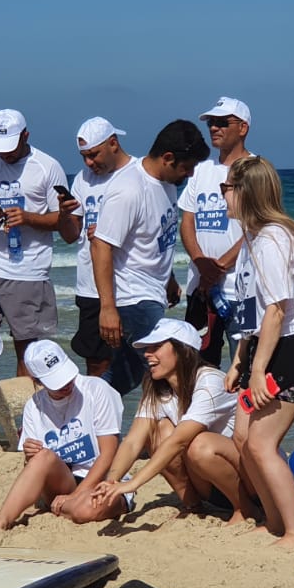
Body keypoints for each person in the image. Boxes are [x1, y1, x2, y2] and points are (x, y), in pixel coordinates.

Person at [219, 155, 294, 549]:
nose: (223, 197)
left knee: (262, 443)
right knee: (243, 439)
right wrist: (239, 363)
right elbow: (253, 311)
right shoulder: (252, 239)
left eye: (226, 189)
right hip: (264, 349)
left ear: (246, 193)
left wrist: (257, 369)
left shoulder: (272, 239)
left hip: (293, 347)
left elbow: (278, 311)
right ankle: (274, 519)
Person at [89, 319, 253, 522]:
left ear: (182, 350)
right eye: (147, 348)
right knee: (158, 431)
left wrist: (133, 484)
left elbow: (179, 441)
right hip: (211, 486)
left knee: (198, 444)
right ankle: (193, 505)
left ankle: (244, 509)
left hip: (250, 482)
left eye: (156, 347)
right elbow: (132, 443)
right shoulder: (158, 387)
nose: (148, 354)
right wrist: (113, 481)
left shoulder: (210, 381)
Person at [91, 119, 210, 393]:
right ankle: (178, 435)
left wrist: (168, 278)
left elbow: (154, 237)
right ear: (168, 158)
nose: (190, 175)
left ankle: (79, 419)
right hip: (133, 299)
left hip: (152, 293)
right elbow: (101, 246)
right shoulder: (130, 189)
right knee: (172, 374)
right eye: (187, 167)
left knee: (125, 376)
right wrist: (108, 308)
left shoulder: (166, 184)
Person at [0, 109, 70, 385]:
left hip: (27, 272)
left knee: (28, 351)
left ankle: (26, 422)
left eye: (10, 148)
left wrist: (28, 218)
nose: (4, 154)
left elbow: (64, 221)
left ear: (26, 136)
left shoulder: (47, 166)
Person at [0, 339, 127, 529]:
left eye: (66, 376)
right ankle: (1, 522)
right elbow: (35, 468)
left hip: (103, 479)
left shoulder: (96, 389)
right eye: (56, 381)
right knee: (42, 457)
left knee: (85, 509)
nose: (66, 384)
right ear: (37, 381)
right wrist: (30, 455)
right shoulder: (34, 406)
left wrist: (76, 496)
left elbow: (109, 453)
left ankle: (67, 506)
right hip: (64, 482)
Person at [179, 97, 253, 366]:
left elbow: (257, 227)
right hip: (199, 286)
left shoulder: (255, 170)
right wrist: (202, 264)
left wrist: (219, 267)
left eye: (222, 123)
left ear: (242, 128)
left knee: (243, 366)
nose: (214, 128)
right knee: (196, 365)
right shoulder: (200, 170)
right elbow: (187, 221)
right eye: (211, 123)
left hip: (242, 289)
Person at [63, 118, 133, 378]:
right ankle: (97, 417)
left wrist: (109, 233)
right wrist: (63, 214)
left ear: (113, 144)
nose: (89, 163)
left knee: (145, 360)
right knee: (96, 362)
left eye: (93, 155)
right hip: (90, 286)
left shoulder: (137, 173)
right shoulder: (83, 179)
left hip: (130, 285)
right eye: (84, 157)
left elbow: (153, 229)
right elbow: (71, 235)